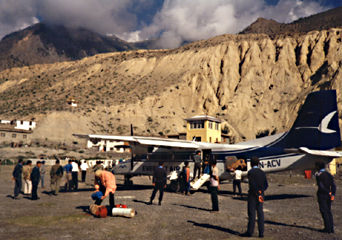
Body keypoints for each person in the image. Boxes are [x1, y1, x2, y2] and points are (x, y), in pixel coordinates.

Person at [241, 157, 268, 238]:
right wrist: (261, 191)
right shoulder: (262, 172)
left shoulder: (251, 172)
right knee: (260, 212)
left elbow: (252, 184)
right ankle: (261, 232)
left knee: (252, 213)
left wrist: (256, 191)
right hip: (261, 194)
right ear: (258, 163)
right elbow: (266, 184)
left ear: (251, 163)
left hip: (253, 195)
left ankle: (250, 231)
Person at [315, 162, 336, 233]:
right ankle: (331, 228)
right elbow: (333, 185)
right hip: (329, 195)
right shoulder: (329, 174)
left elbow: (321, 186)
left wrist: (327, 192)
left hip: (322, 195)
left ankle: (327, 228)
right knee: (329, 211)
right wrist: (332, 194)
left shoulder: (319, 175)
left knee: (324, 211)